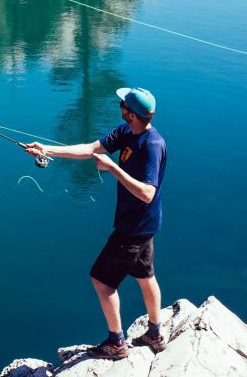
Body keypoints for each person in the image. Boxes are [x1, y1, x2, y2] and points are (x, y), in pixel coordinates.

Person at [25, 87, 168, 360]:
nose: (119, 105)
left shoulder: (152, 145)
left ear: (132, 112)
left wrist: (114, 168)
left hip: (135, 227)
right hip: (144, 224)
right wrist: (48, 150)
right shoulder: (127, 132)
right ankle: (155, 333)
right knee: (145, 275)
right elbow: (91, 149)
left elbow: (148, 193)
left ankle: (116, 344)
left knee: (102, 281)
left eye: (122, 103)